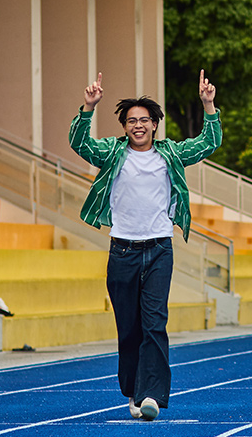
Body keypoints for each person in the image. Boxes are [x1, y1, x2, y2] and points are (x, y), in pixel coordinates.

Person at [70, 71, 220, 421]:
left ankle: (151, 393)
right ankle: (133, 391)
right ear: (124, 127)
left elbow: (207, 144)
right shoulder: (111, 152)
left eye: (145, 120)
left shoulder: (171, 153)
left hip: (159, 250)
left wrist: (208, 105)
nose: (138, 125)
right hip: (122, 250)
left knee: (155, 323)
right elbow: (81, 145)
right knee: (129, 327)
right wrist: (88, 108)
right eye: (131, 121)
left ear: (155, 125)